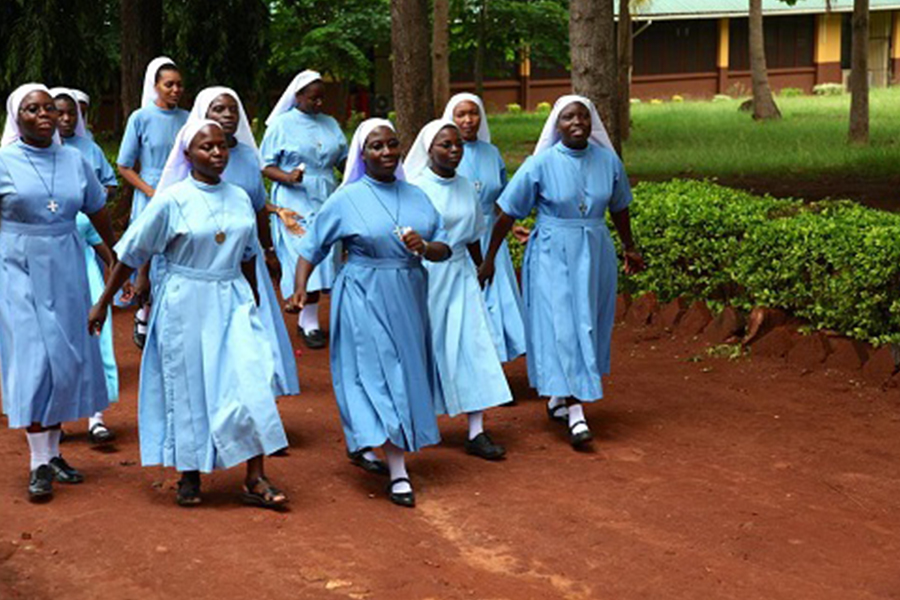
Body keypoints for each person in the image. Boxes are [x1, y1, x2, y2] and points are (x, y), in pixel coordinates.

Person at [89, 120, 289, 509]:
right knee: (189, 385)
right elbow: (132, 253)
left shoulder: (240, 198)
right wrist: (103, 301)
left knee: (252, 380)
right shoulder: (172, 199)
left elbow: (248, 254)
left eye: (221, 147)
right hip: (185, 300)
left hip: (231, 298)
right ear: (187, 155)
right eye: (206, 147)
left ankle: (255, 475)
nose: (216, 153)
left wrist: (253, 299)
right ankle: (190, 474)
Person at [285, 119, 451, 507]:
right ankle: (398, 472)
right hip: (362, 293)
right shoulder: (346, 198)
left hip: (408, 295)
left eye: (393, 144)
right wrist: (299, 291)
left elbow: (446, 248)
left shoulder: (418, 197)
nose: (387, 152)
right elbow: (311, 249)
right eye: (377, 146)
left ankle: (367, 441)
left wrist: (424, 246)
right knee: (378, 373)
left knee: (403, 372)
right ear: (362, 154)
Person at [479, 95, 646, 449]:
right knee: (564, 326)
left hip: (595, 250)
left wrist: (629, 246)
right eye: (568, 117)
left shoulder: (607, 160)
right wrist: (490, 257)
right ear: (556, 124)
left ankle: (559, 396)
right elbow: (506, 211)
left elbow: (619, 206)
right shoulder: (539, 164)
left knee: (589, 322)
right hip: (552, 253)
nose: (577, 123)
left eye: (583, 117)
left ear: (592, 123)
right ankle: (576, 413)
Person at [0, 83, 117, 501]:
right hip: (18, 268)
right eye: (33, 109)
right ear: (18, 117)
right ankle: (37, 464)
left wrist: (115, 255)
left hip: (67, 265)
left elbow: (97, 208)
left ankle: (51, 455)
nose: (44, 114)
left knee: (64, 359)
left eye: (49, 107)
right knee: (34, 359)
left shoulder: (74, 159)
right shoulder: (4, 161)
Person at [179, 86, 300, 399]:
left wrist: (268, 249)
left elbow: (259, 207)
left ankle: (257, 405)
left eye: (233, 109)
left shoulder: (247, 155)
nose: (228, 116)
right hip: (205, 263)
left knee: (253, 331)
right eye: (219, 109)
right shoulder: (192, 157)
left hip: (247, 259)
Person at [406, 119, 511, 461]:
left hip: (463, 273)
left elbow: (473, 233)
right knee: (429, 344)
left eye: (457, 146)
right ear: (428, 149)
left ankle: (476, 430)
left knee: (474, 344)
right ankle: (418, 421)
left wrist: (482, 268)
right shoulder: (415, 187)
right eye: (445, 145)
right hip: (427, 276)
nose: (453, 151)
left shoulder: (467, 186)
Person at [53, 87, 125, 445]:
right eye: (58, 113)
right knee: (57, 340)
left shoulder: (86, 153)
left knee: (98, 336)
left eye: (71, 114)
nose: (64, 119)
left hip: (84, 259)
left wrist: (116, 267)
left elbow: (100, 231)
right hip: (48, 267)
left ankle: (96, 415)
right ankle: (58, 417)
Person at [261, 70, 348, 349]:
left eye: (322, 98)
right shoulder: (281, 125)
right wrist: (287, 177)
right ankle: (308, 321)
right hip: (294, 198)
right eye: (313, 98)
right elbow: (265, 164)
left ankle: (309, 317)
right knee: (303, 251)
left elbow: (344, 158)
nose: (319, 103)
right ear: (297, 97)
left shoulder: (330, 123)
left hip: (327, 194)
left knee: (326, 255)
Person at [442, 94, 526, 363]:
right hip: (458, 238)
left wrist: (512, 228)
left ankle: (496, 371)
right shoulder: (446, 154)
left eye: (473, 113)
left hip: (491, 239)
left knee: (496, 302)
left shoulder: (492, 153)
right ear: (451, 119)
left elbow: (500, 197)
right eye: (461, 114)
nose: (468, 120)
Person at [116, 56, 188, 347]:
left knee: (177, 253)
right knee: (149, 254)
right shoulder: (140, 118)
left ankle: (172, 316)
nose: (175, 90)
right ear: (155, 86)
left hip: (182, 193)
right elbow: (124, 166)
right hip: (151, 194)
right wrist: (150, 191)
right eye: (169, 84)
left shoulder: (188, 118)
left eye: (179, 85)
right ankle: (144, 314)